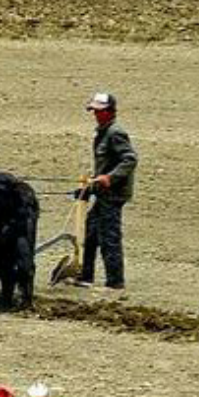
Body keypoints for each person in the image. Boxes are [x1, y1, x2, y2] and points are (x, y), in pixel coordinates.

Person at [79, 92, 138, 293]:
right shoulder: (103, 132)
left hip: (113, 195)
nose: (96, 115)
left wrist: (110, 178)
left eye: (100, 111)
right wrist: (90, 187)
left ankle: (115, 282)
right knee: (90, 233)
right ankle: (85, 277)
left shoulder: (115, 133)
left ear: (110, 112)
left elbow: (129, 159)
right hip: (103, 193)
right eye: (94, 111)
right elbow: (105, 165)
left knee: (109, 237)